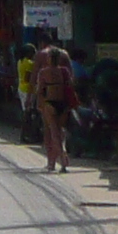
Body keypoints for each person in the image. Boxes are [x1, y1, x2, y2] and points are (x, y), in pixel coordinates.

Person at [33, 41, 80, 172]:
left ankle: (60, 160)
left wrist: (39, 105)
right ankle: (61, 154)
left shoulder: (43, 72)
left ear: (49, 59)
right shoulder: (64, 71)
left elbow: (40, 90)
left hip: (50, 104)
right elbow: (70, 84)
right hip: (63, 104)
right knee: (61, 132)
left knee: (52, 133)